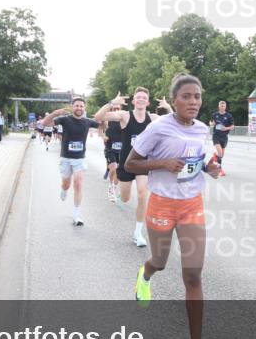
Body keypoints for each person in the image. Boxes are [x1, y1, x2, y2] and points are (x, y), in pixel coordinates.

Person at [125, 74, 221, 339]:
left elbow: (200, 161)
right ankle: (145, 273)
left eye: (197, 96)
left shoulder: (203, 129)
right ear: (174, 99)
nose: (193, 102)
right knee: (160, 261)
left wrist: (210, 167)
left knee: (193, 274)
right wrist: (162, 163)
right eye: (186, 96)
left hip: (192, 204)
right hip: (162, 204)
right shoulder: (159, 128)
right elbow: (130, 164)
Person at [93, 88, 172, 247]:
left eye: (144, 97)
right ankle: (118, 191)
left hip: (144, 162)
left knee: (143, 193)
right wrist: (112, 103)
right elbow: (98, 117)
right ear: (134, 101)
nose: (141, 99)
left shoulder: (153, 118)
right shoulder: (124, 115)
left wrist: (168, 107)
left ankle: (138, 233)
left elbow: (174, 122)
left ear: (147, 102)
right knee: (126, 198)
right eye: (138, 97)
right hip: (126, 163)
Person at [42, 98, 100, 225]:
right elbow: (45, 123)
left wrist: (104, 115)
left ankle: (76, 214)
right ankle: (64, 189)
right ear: (72, 107)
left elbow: (103, 125)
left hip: (80, 159)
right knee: (66, 184)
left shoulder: (88, 121)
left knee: (78, 183)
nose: (79, 108)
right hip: (66, 158)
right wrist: (55, 113)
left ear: (84, 108)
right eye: (76, 106)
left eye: (81, 106)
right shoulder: (65, 119)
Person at [102, 105, 122, 202]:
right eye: (114, 109)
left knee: (119, 171)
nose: (116, 110)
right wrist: (103, 136)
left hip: (122, 150)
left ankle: (114, 187)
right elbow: (100, 128)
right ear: (111, 110)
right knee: (114, 167)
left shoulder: (124, 120)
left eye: (118, 108)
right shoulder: (107, 120)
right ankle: (110, 186)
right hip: (110, 148)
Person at [208, 100, 234, 176]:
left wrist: (226, 128)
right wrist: (211, 124)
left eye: (224, 106)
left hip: (224, 137)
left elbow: (232, 126)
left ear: (225, 107)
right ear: (219, 106)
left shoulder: (229, 116)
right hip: (216, 136)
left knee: (221, 155)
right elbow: (210, 123)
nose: (222, 107)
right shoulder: (214, 115)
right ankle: (219, 170)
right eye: (221, 106)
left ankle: (215, 156)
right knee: (220, 153)